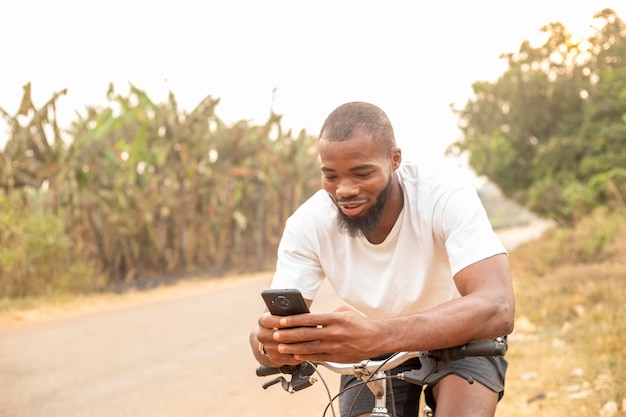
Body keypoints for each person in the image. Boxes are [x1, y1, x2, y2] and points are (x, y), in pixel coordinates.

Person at [249, 101, 515, 417]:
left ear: (394, 159)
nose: (344, 189)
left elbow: (497, 305)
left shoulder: (445, 195)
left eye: (362, 173)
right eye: (331, 176)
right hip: (369, 349)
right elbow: (264, 337)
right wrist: (270, 345)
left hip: (461, 335)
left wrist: (378, 335)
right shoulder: (307, 223)